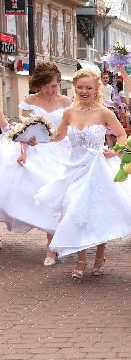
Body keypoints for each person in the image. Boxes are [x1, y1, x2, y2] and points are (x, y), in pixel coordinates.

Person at [34, 68, 131, 279]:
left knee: (98, 212)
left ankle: (100, 255)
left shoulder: (104, 112)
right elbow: (58, 136)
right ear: (74, 88)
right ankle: (81, 260)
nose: (84, 91)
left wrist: (116, 150)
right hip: (74, 167)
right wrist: (33, 135)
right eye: (80, 87)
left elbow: (121, 135)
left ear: (96, 89)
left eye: (88, 87)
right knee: (75, 211)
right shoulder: (69, 113)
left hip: (97, 167)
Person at [0, 61, 72, 266]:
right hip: (36, 151)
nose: (51, 90)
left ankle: (51, 248)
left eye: (55, 86)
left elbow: (70, 127)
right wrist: (25, 149)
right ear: (38, 85)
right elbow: (24, 131)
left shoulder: (66, 101)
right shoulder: (29, 101)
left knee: (58, 197)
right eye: (47, 86)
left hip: (60, 150)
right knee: (28, 193)